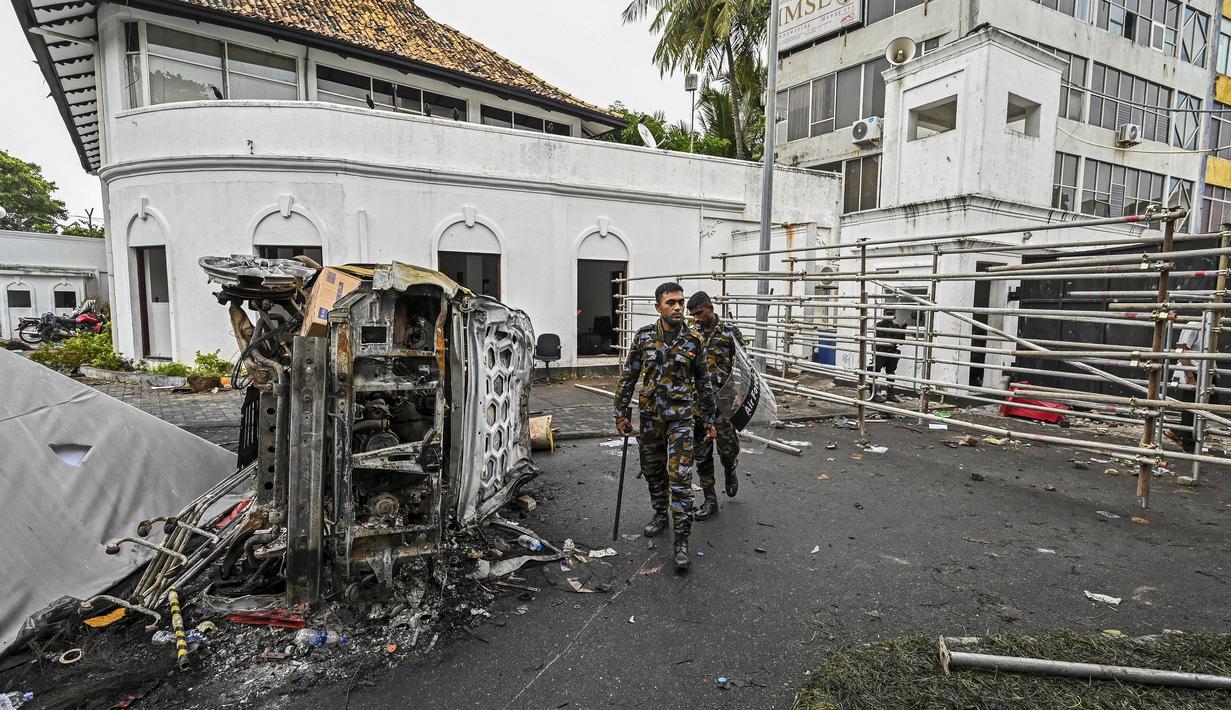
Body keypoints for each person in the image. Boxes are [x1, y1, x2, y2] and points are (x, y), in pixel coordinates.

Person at [615, 282, 717, 571]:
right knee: (652, 470)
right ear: (658, 306)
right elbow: (628, 376)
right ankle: (660, 513)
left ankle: (681, 540)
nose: (677, 307)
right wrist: (620, 413)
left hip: (682, 420)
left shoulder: (694, 340)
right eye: (671, 302)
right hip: (650, 418)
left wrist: (708, 419)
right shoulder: (644, 337)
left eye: (680, 302)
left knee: (681, 478)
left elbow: (704, 383)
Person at [686, 291, 744, 520]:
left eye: (699, 313)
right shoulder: (692, 334)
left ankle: (730, 470)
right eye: (693, 316)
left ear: (710, 307)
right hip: (698, 404)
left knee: (727, 449)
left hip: (725, 402)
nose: (697, 319)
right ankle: (710, 499)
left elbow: (743, 364)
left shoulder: (730, 333)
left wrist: (741, 392)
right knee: (701, 453)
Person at [1165, 321, 1219, 453]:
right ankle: (1188, 444)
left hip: (1207, 371)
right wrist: (1190, 378)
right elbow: (1183, 351)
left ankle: (1178, 431)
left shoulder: (1214, 327)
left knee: (1209, 405)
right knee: (1191, 409)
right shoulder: (1195, 325)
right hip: (1194, 370)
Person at [872, 310, 905, 403]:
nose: (890, 316)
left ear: (894, 315)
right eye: (888, 314)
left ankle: (890, 395)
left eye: (891, 314)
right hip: (880, 352)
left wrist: (903, 331)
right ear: (884, 315)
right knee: (874, 372)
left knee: (890, 373)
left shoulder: (896, 326)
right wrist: (895, 337)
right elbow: (882, 339)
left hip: (891, 352)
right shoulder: (879, 325)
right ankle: (873, 394)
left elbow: (901, 342)